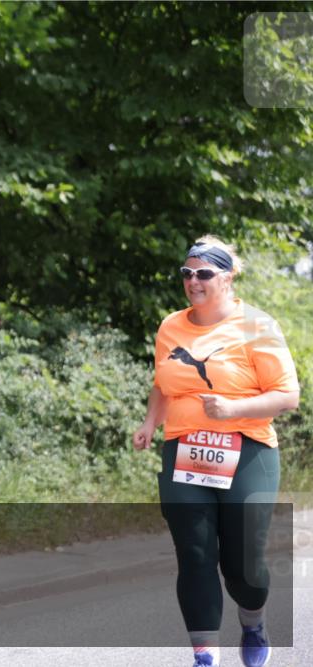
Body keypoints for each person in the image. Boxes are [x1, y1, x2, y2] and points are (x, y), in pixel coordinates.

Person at [133, 236, 300, 667]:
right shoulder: (171, 325)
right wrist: (151, 420)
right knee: (195, 553)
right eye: (187, 273)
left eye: (204, 273)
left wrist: (234, 408)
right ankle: (205, 654)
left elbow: (287, 396)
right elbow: (164, 380)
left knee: (244, 566)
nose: (193, 281)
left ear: (227, 277)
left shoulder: (257, 326)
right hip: (185, 449)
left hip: (247, 449)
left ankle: (253, 619)